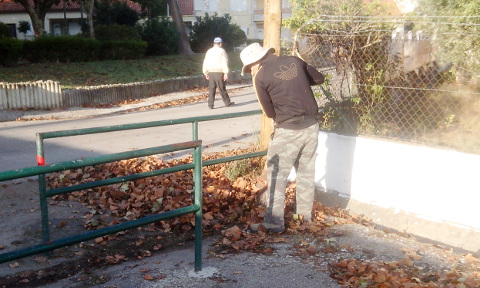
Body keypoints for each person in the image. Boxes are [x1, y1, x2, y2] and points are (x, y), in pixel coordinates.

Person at [240, 43, 325, 233]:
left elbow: (269, 113)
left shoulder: (260, 76)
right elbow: (319, 78)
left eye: (249, 67)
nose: (251, 71)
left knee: (277, 176)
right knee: (305, 174)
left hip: (287, 130)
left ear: (255, 62)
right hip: (311, 126)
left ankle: (273, 223)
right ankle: (303, 218)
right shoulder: (295, 60)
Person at [202, 37, 234, 109]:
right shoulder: (222, 51)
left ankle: (210, 105)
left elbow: (205, 62)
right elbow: (224, 62)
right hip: (219, 72)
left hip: (211, 72)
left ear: (214, 44)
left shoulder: (209, 51)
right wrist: (226, 72)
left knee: (211, 89)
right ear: (220, 44)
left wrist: (205, 72)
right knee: (222, 88)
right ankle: (227, 103)